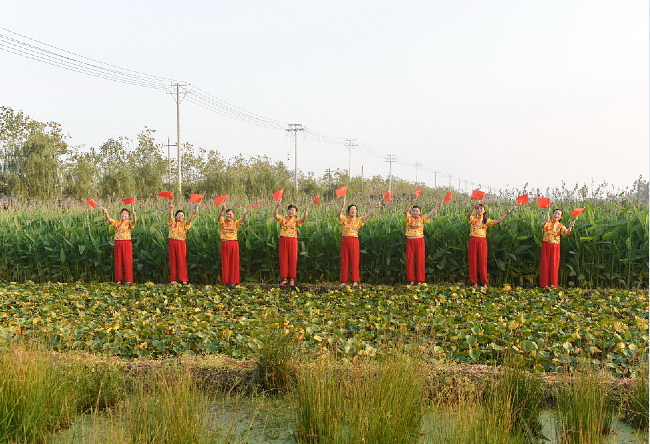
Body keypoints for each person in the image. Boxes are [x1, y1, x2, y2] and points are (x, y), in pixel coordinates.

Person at [338, 197, 381, 287]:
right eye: (352, 209)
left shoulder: (358, 220)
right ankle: (344, 281)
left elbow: (368, 214)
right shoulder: (345, 219)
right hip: (345, 240)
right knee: (344, 260)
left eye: (355, 209)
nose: (353, 211)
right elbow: (339, 215)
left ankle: (355, 281)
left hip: (354, 241)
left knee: (355, 260)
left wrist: (374, 207)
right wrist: (342, 206)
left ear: (356, 211)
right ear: (348, 211)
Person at [467, 203, 511, 288]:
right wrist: (473, 207)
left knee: (483, 261)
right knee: (472, 261)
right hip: (473, 240)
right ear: (475, 210)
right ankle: (474, 282)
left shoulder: (486, 220)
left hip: (482, 241)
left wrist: (505, 213)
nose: (479, 210)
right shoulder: (473, 219)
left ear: (484, 211)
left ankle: (484, 283)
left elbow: (497, 221)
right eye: (477, 208)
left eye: (481, 208)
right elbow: (468, 215)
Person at [404, 200, 443, 285]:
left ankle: (420, 280)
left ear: (420, 212)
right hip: (410, 241)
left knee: (420, 260)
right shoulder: (408, 218)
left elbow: (430, 214)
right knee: (410, 260)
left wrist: (436, 207)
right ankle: (411, 280)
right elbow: (406, 212)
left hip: (419, 241)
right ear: (412, 211)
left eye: (417, 211)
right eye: (414, 211)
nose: (415, 212)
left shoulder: (422, 219)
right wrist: (410, 204)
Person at [274, 201, 309, 286]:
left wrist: (306, 212)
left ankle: (292, 279)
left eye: (293, 210)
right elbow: (275, 215)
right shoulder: (283, 219)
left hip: (293, 240)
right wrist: (277, 207)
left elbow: (303, 219)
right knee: (283, 258)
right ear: (287, 211)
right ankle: (284, 278)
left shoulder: (296, 220)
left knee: (293, 258)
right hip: (283, 239)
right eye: (289, 210)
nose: (291, 211)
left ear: (295, 212)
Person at [540, 208, 575, 288]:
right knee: (545, 264)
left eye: (559, 214)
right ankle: (544, 285)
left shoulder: (560, 226)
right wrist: (546, 220)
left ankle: (553, 285)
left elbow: (566, 232)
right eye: (555, 213)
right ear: (552, 214)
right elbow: (542, 226)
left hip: (555, 246)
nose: (556, 215)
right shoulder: (548, 223)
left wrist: (570, 227)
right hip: (546, 244)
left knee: (554, 265)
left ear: (560, 217)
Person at [102, 207, 137, 284]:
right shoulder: (116, 223)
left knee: (128, 261)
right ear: (120, 214)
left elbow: (134, 222)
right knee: (118, 261)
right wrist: (106, 213)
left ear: (128, 216)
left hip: (127, 243)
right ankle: (119, 280)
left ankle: (128, 280)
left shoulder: (129, 223)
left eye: (126, 214)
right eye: (122, 213)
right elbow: (109, 220)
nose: (123, 215)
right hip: (118, 243)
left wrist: (134, 215)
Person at [218, 204, 251, 285]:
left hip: (233, 244)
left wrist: (245, 214)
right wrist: (222, 210)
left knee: (234, 262)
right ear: (225, 215)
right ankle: (226, 281)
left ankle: (233, 281)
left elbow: (242, 220)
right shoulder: (222, 223)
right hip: (225, 244)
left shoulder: (235, 223)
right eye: (227, 214)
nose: (229, 216)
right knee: (225, 262)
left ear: (233, 216)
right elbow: (219, 217)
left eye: (230, 214)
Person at [167, 204, 199, 284]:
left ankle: (184, 279)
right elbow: (170, 217)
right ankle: (173, 280)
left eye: (182, 215)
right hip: (172, 242)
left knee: (182, 261)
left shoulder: (184, 224)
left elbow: (189, 221)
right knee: (173, 261)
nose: (181, 216)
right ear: (176, 216)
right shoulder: (172, 223)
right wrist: (171, 209)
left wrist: (193, 214)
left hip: (181, 243)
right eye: (179, 215)